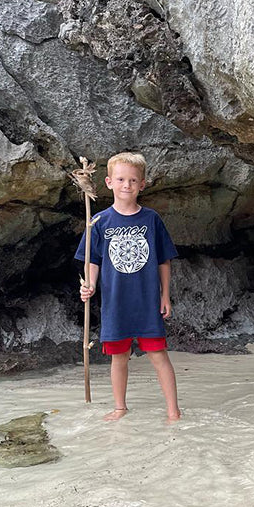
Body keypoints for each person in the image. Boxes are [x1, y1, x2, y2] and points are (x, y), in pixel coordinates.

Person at [75, 152, 181, 422]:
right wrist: (89, 286)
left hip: (146, 301)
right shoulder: (98, 222)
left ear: (142, 184)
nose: (127, 185)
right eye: (121, 179)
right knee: (118, 357)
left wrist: (164, 295)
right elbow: (93, 260)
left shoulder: (151, 219)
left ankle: (173, 411)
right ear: (109, 182)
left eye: (133, 180)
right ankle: (120, 407)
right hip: (115, 302)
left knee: (158, 355)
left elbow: (163, 260)